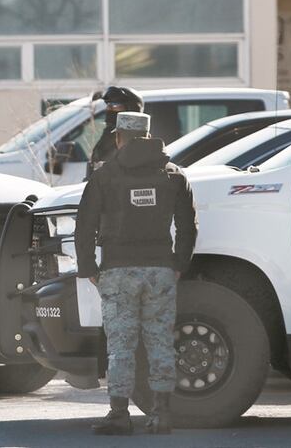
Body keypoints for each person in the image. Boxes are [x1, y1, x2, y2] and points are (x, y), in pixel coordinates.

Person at [74, 111, 198, 436]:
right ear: (146, 134)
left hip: (117, 272)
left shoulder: (104, 176)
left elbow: (84, 224)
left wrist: (88, 267)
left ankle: (119, 414)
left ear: (118, 137)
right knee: (160, 341)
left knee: (121, 345)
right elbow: (188, 227)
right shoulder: (174, 176)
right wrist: (179, 264)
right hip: (160, 271)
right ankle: (162, 414)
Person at [86, 86, 144, 179]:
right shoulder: (109, 134)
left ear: (130, 109)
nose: (109, 109)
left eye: (114, 106)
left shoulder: (133, 138)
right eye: (108, 105)